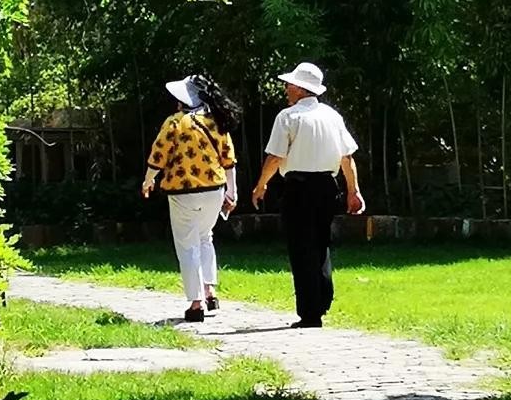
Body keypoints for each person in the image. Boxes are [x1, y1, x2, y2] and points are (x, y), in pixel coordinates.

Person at [251, 61, 364, 329]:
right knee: (321, 243)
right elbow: (346, 158)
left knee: (301, 247)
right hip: (327, 186)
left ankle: (309, 312)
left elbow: (276, 157)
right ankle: (322, 300)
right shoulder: (332, 116)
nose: (286, 89)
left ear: (300, 89)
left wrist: (260, 185)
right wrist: (353, 191)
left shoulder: (288, 117)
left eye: (289, 85)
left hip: (298, 187)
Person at [141, 73, 239, 322]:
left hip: (182, 192)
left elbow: (158, 155)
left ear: (182, 101)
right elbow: (229, 160)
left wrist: (148, 179)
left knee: (187, 245)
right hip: (215, 189)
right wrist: (232, 191)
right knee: (206, 237)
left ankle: (196, 304)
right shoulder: (217, 121)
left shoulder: (175, 122)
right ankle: (210, 292)